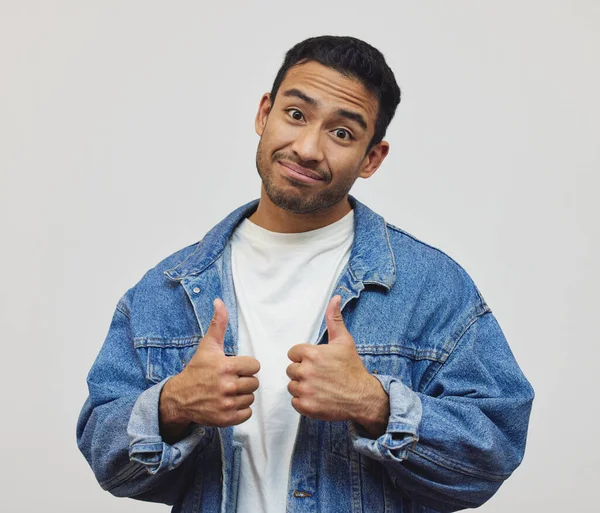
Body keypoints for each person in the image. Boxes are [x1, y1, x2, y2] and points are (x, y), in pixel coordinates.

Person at [77, 35, 534, 513]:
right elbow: (106, 457)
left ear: (371, 158)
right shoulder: (167, 288)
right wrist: (172, 406)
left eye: (342, 133)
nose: (308, 147)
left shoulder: (431, 287)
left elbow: (493, 453)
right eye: (296, 115)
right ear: (263, 114)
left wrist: (377, 405)